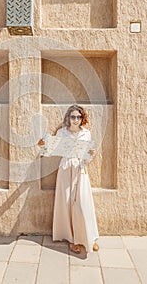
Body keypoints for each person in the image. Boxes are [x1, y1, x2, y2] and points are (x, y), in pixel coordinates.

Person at [38, 105, 99, 254]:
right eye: (73, 117)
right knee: (66, 202)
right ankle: (72, 239)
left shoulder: (86, 134)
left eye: (78, 117)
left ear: (82, 118)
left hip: (80, 169)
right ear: (68, 118)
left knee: (83, 202)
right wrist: (43, 145)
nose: (76, 120)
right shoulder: (61, 133)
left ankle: (89, 238)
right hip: (65, 169)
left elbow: (88, 155)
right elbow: (49, 150)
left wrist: (90, 154)